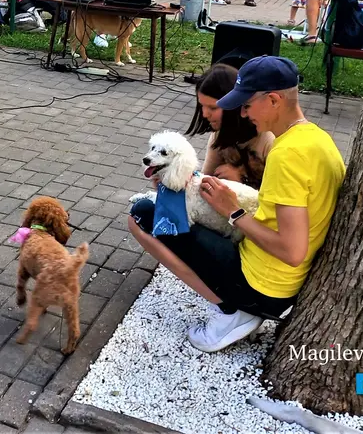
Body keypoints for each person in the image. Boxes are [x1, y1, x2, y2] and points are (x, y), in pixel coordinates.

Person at [128, 56, 346, 352]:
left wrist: (233, 211)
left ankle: (232, 310)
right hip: (271, 275)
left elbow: (292, 252)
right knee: (163, 211)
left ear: (273, 100)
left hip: (263, 285)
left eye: (247, 105)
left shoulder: (287, 155)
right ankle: (236, 304)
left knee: (142, 215)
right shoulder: (318, 139)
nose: (242, 113)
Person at [183, 62, 274, 189]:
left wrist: (242, 179)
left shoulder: (269, 140)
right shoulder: (219, 133)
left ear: (235, 106)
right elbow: (205, 180)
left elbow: (277, 196)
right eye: (202, 106)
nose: (204, 114)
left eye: (213, 108)